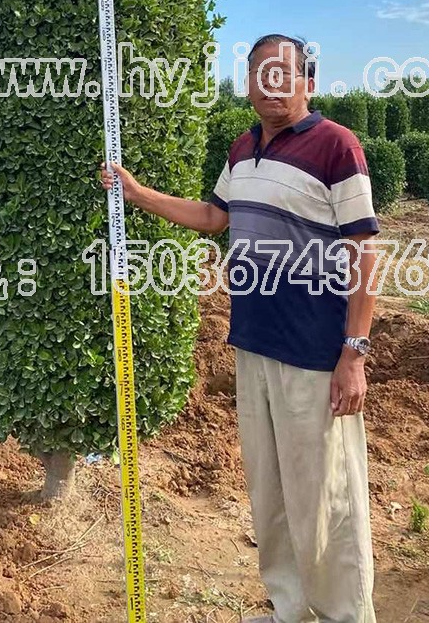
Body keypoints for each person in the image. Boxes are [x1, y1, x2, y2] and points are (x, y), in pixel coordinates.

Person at [99, 34, 379, 623]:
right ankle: (289, 609)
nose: (272, 84)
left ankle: (343, 615)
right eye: (260, 72)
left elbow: (363, 252)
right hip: (253, 343)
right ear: (247, 82)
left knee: (324, 497)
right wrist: (137, 192)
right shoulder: (242, 148)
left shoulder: (337, 146)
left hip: (314, 353)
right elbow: (213, 217)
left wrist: (354, 353)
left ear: (308, 82)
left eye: (285, 72)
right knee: (270, 491)